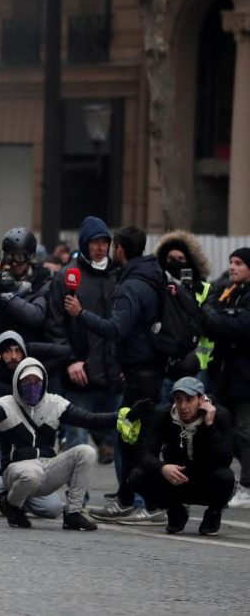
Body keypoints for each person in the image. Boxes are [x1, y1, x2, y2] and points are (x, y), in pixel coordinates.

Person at [0, 357, 153, 531]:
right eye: (26, 382)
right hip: (16, 471)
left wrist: (126, 415)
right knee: (32, 473)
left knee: (86, 452)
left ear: (44, 383)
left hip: (45, 467)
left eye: (36, 382)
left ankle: (73, 513)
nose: (32, 387)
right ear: (17, 383)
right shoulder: (5, 405)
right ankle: (12, 505)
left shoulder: (55, 404)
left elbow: (91, 419)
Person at [66, 226, 166, 524]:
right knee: (128, 438)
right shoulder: (152, 274)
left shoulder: (133, 284)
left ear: (120, 248)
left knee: (138, 440)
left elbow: (116, 328)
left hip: (142, 373)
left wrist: (80, 314)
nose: (108, 250)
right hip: (145, 368)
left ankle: (149, 504)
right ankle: (126, 500)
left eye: (111, 244)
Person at [0, 332, 65, 519]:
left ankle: (12, 498)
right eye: (7, 351)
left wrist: (29, 347)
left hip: (27, 458)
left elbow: (65, 352)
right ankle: (5, 495)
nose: (13, 356)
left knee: (52, 509)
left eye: (18, 351)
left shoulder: (33, 381)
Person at [45, 216, 121, 462]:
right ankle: (78, 498)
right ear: (85, 243)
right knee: (78, 441)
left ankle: (128, 498)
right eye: (95, 242)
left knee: (124, 438)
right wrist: (71, 360)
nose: (100, 248)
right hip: (81, 375)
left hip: (115, 374)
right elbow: (55, 325)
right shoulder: (67, 277)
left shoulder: (118, 274)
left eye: (104, 242)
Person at [129, 377, 234, 535]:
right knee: (137, 476)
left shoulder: (220, 415)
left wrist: (209, 425)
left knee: (226, 477)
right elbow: (145, 453)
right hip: (176, 478)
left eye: (189, 400)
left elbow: (225, 459)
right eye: (178, 400)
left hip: (206, 480)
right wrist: (162, 467)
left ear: (200, 399)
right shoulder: (164, 415)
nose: (183, 407)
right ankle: (175, 510)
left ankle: (213, 513)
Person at [201, 247, 250, 507]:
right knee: (227, 431)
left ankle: (248, 485)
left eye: (239, 263)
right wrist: (221, 316)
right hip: (225, 376)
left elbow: (241, 326)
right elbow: (208, 316)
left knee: (245, 432)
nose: (232, 267)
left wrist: (221, 318)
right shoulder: (228, 292)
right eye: (231, 262)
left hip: (245, 379)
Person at [154, 231, 214, 391]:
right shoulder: (158, 288)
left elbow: (210, 321)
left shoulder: (205, 289)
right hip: (164, 364)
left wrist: (188, 294)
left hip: (198, 365)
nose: (175, 263)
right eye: (170, 259)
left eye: (181, 259)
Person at [0, 227, 53, 345]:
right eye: (10, 257)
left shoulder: (42, 282)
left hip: (30, 349)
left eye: (20, 257)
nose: (14, 263)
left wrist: (8, 297)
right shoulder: (1, 278)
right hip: (4, 349)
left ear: (30, 257)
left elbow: (36, 317)